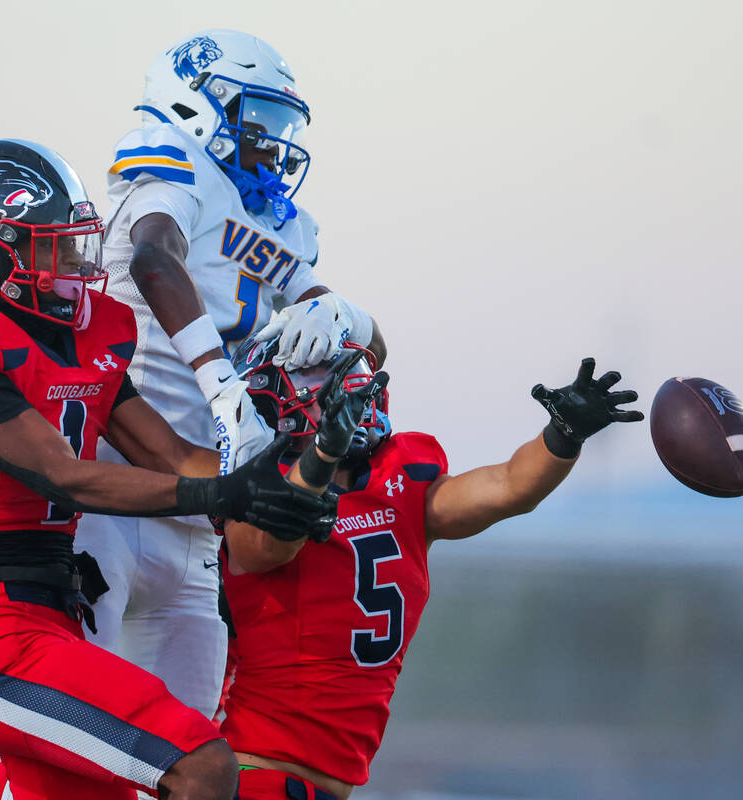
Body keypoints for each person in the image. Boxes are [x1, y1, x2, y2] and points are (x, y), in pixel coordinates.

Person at [0, 138, 337, 800]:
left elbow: (170, 455)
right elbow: (65, 475)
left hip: (55, 614)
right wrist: (222, 491)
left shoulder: (86, 337)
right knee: (201, 764)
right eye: (54, 244)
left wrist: (280, 475)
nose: (76, 260)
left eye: (76, 242)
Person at [75, 28, 388, 720]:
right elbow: (156, 260)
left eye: (282, 126)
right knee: (72, 735)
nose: (274, 146)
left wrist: (346, 316)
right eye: (259, 121)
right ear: (196, 105)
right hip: (112, 492)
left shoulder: (282, 223)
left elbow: (369, 352)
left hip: (201, 514)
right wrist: (224, 391)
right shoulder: (171, 163)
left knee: (185, 757)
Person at [217, 337, 644, 800]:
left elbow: (508, 486)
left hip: (317, 786)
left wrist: (563, 435)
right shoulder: (258, 487)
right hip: (251, 771)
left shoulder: (401, 486)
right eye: (319, 378)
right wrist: (322, 456)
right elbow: (265, 545)